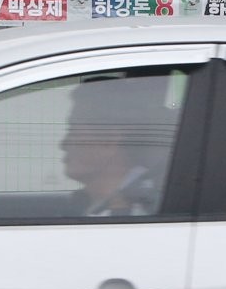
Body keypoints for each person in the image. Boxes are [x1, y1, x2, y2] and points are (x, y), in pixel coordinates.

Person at [60, 76, 177, 217]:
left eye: (74, 132)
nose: (63, 144)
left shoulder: (136, 215)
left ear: (109, 140)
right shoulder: (111, 205)